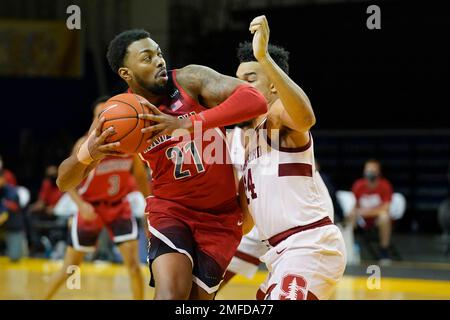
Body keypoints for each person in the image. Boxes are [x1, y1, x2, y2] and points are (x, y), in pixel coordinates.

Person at [56, 31, 267, 300]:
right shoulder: (120, 116)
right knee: (170, 295)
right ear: (126, 73)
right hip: (172, 210)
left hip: (221, 218)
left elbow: (255, 101)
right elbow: (64, 181)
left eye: (159, 53)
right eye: (147, 58)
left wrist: (186, 123)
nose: (159, 61)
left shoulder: (190, 80)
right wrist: (89, 153)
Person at [235, 16, 346, 300]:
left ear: (273, 85)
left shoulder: (277, 116)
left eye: (250, 79)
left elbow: (306, 117)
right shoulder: (248, 145)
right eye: (236, 81)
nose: (239, 88)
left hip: (308, 244)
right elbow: (246, 223)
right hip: (280, 253)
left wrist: (264, 58)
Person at [44, 97, 150, 300]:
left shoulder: (129, 144)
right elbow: (66, 180)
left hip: (119, 207)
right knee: (70, 268)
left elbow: (140, 176)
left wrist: (148, 206)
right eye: (101, 116)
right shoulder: (85, 144)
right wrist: (81, 205)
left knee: (134, 266)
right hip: (90, 207)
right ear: (94, 120)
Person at [347, 158, 393, 263]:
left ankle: (384, 251)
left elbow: (386, 208)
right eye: (368, 169)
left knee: (384, 217)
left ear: (379, 172)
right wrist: (353, 213)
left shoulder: (385, 186)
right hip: (362, 220)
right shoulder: (358, 185)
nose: (370, 172)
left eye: (373, 170)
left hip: (376, 220)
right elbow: (354, 205)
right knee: (351, 215)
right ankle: (351, 249)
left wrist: (365, 212)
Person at [0, 168, 26, 262]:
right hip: (3, 228)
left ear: (3, 178)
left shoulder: (11, 192)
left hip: (13, 228)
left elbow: (4, 215)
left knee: (15, 258)